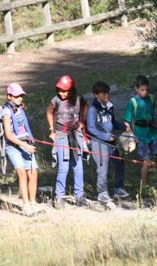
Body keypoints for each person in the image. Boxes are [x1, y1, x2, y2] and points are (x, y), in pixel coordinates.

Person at [46, 75, 89, 209]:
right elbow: (49, 113)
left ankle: (79, 195)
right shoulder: (55, 100)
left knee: (78, 165)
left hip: (75, 134)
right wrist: (52, 130)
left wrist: (82, 122)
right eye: (59, 90)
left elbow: (86, 107)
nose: (61, 93)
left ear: (71, 89)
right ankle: (59, 197)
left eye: (64, 90)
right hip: (61, 134)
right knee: (63, 166)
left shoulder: (79, 99)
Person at [1, 83, 41, 216]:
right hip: (13, 146)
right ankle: (25, 205)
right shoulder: (6, 112)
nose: (19, 98)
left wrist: (29, 142)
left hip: (26, 144)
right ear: (9, 96)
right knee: (22, 174)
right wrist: (25, 145)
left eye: (21, 96)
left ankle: (32, 202)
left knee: (33, 173)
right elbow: (8, 135)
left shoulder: (21, 108)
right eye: (17, 96)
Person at [86, 81, 129, 205]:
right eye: (103, 94)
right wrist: (105, 136)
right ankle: (102, 193)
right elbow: (91, 128)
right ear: (96, 95)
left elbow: (113, 122)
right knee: (102, 168)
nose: (106, 96)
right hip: (99, 142)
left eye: (107, 93)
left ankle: (118, 188)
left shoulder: (109, 107)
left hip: (112, 141)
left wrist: (124, 126)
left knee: (120, 161)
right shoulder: (93, 110)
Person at [123, 75, 157, 185]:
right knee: (146, 163)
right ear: (136, 88)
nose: (145, 92)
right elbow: (126, 122)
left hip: (153, 134)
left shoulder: (151, 99)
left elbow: (151, 115)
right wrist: (133, 137)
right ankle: (143, 186)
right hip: (141, 137)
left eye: (147, 89)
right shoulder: (132, 102)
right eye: (142, 90)